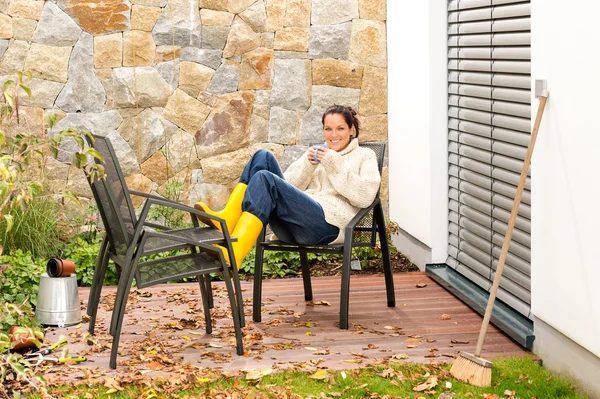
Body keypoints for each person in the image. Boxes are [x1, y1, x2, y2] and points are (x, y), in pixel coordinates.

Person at [194, 105, 382, 269]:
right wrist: (308, 167)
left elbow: (365, 196)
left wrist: (333, 163)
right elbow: (287, 188)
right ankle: (228, 218)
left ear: (351, 130)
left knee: (265, 179)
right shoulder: (318, 154)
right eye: (328, 129)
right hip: (291, 224)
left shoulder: (364, 155)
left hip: (326, 226)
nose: (333, 135)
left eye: (340, 129)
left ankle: (236, 251)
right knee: (262, 156)